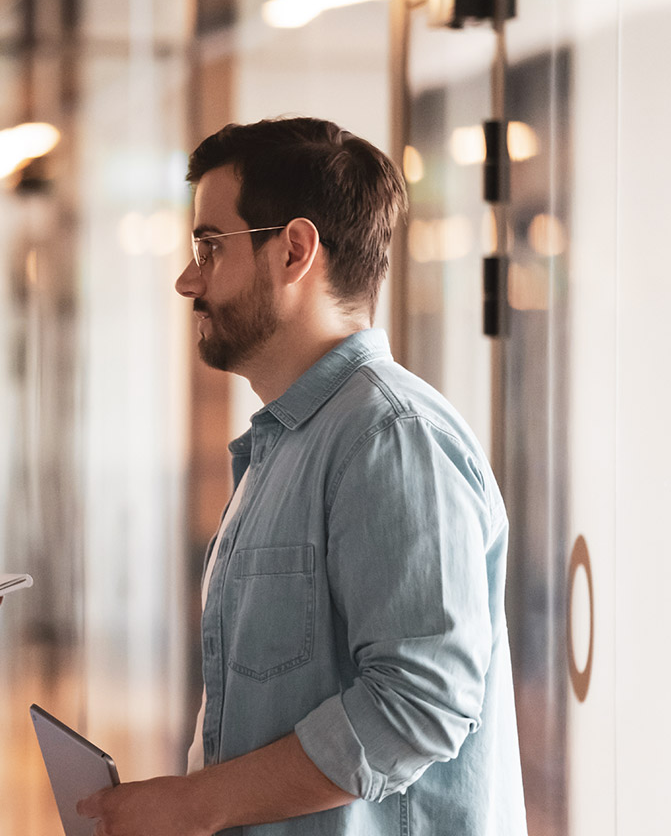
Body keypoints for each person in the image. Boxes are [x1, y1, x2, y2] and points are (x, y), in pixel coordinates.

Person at [78, 118, 526, 835]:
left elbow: (420, 706)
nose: (188, 279)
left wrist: (194, 805)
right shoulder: (284, 447)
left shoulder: (391, 438)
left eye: (208, 245)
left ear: (293, 251)